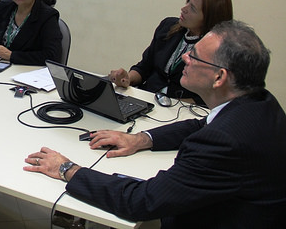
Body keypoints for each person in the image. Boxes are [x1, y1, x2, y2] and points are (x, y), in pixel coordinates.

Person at [24, 20, 286, 228]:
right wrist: (141, 139)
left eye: (194, 56)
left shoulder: (225, 142)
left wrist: (67, 169)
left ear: (219, 77)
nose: (185, 58)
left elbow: (141, 201)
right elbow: (200, 125)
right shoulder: (259, 103)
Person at [109, 0, 232, 105]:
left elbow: (215, 96)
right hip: (148, 99)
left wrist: (173, 104)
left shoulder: (219, 48)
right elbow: (144, 67)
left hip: (184, 109)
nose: (184, 8)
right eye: (187, 2)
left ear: (209, 18)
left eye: (193, 8)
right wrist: (127, 79)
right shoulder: (168, 27)